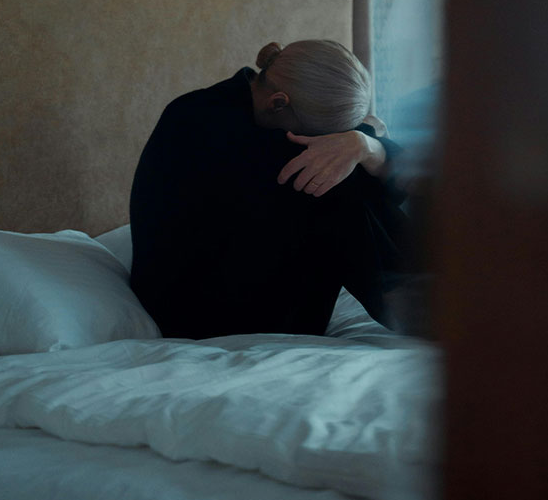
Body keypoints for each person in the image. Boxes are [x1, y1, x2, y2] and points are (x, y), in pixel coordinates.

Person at [129, 40, 419, 339]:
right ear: (278, 103)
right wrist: (365, 141)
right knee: (330, 177)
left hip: (253, 283)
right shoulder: (200, 122)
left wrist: (362, 144)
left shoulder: (261, 110)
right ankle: (412, 301)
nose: (325, 142)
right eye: (321, 135)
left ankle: (415, 296)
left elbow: (396, 184)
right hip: (193, 310)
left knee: (337, 168)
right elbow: (392, 182)